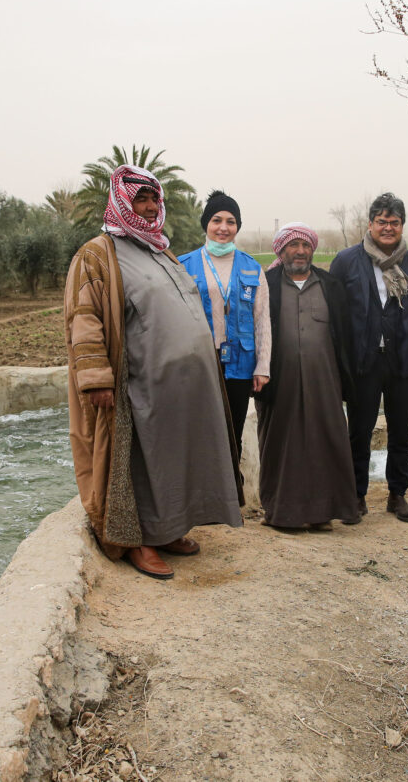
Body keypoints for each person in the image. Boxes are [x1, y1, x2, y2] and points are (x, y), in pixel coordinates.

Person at [64, 164, 243, 579]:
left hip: (180, 387)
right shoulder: (98, 254)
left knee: (174, 458)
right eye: (139, 199)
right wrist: (96, 380)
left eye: (153, 199)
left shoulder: (159, 248)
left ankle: (168, 529)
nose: (147, 207)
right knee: (142, 463)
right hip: (136, 384)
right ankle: (140, 540)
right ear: (120, 201)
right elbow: (84, 318)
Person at [255, 223, 361, 529]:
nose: (300, 251)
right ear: (281, 250)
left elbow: (344, 335)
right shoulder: (267, 283)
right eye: (293, 245)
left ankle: (322, 514)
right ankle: (280, 513)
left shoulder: (330, 284)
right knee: (279, 444)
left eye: (306, 246)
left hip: (324, 380)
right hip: (278, 380)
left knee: (325, 442)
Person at [329, 193, 408, 522]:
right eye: (382, 222)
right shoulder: (346, 261)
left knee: (402, 430)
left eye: (394, 222)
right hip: (362, 362)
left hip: (401, 363)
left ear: (402, 226)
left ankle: (397, 494)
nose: (388, 228)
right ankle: (355, 495)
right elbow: (337, 316)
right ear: (370, 224)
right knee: (359, 430)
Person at [178, 191, 271, 462]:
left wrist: (262, 367)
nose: (223, 227)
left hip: (240, 365)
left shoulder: (252, 268)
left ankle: (232, 496)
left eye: (231, 222)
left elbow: (262, 320)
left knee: (233, 432)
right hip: (199, 363)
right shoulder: (183, 266)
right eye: (216, 220)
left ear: (237, 227)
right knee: (200, 431)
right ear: (206, 223)